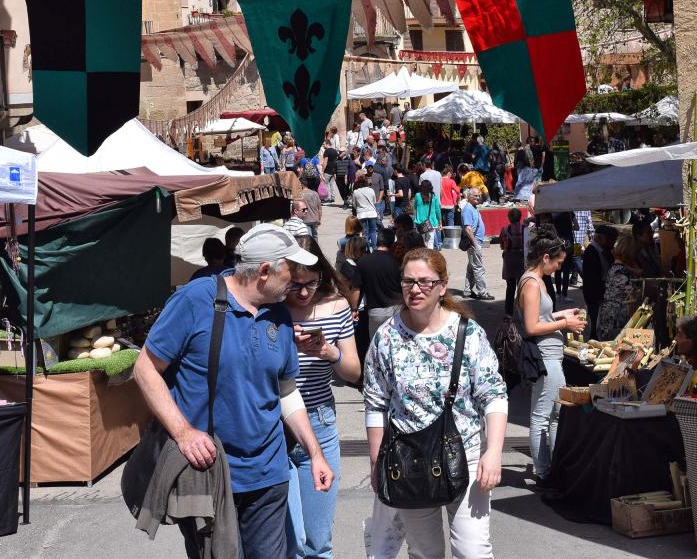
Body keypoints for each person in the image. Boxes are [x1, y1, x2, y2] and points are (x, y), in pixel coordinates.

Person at [133, 224, 334, 558]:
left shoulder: (278, 315)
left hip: (269, 473)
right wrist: (183, 433)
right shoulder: (196, 299)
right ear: (266, 271)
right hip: (210, 472)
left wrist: (315, 453)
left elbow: (285, 390)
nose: (296, 279)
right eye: (290, 270)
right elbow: (145, 369)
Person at [364, 248, 508, 559]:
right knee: (425, 552)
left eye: (425, 282)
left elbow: (494, 394)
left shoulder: (467, 333)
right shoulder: (386, 337)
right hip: (409, 458)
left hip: (466, 454)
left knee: (473, 551)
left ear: (442, 286)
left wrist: (493, 452)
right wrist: (377, 464)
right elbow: (375, 403)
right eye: (408, 281)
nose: (415, 289)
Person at [284, 237, 361, 559]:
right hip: (273, 428)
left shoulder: (337, 305)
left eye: (310, 283)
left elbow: (353, 372)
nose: (303, 292)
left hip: (319, 422)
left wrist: (329, 351)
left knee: (317, 541)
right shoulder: (268, 309)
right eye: (294, 284)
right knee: (291, 540)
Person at [514, 226, 585, 485]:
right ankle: (544, 472)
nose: (558, 268)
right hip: (545, 357)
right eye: (558, 262)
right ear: (545, 257)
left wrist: (561, 315)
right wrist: (565, 325)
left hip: (550, 355)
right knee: (543, 417)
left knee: (554, 414)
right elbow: (532, 327)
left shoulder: (535, 281)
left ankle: (552, 467)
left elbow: (538, 318)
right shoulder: (532, 283)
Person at [356, 227, 402, 339]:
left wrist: (354, 308)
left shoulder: (364, 261)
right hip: (398, 310)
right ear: (392, 243)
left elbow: (355, 289)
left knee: (376, 344)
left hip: (376, 312)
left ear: (377, 241)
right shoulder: (398, 261)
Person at [597, 235, 643, 340]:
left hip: (612, 313)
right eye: (635, 254)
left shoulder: (618, 268)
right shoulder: (620, 271)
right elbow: (633, 292)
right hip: (615, 317)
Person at [581, 224, 617, 336]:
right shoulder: (591, 253)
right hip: (595, 296)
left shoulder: (606, 251)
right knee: (595, 324)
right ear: (600, 238)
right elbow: (592, 280)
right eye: (610, 240)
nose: (612, 243)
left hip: (601, 294)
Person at [462, 187, 494, 301]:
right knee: (479, 268)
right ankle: (482, 292)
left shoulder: (473, 207)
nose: (477, 197)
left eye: (479, 195)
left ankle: (467, 290)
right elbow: (468, 228)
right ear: (469, 197)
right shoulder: (468, 209)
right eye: (475, 196)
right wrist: (475, 244)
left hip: (475, 243)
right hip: (473, 243)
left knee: (472, 268)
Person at [499, 208, 524, 315]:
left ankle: (508, 313)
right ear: (520, 217)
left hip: (509, 260)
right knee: (522, 287)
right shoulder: (526, 229)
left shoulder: (504, 230)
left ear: (509, 218)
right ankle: (523, 311)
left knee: (510, 288)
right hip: (522, 259)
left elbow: (501, 246)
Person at [551, 211, 577, 304]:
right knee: (566, 271)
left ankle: (558, 294)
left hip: (557, 244)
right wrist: (569, 227)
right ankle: (564, 295)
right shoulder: (570, 213)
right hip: (568, 244)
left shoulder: (553, 213)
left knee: (557, 269)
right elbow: (577, 227)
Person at [352, 175, 379, 249]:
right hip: (371, 213)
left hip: (361, 214)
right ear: (366, 182)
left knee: (364, 232)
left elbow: (354, 204)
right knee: (373, 231)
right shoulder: (371, 190)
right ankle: (374, 248)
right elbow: (374, 201)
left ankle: (365, 249)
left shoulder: (356, 192)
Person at [413, 179, 442, 250]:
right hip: (431, 222)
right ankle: (429, 258)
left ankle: (422, 257)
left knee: (421, 242)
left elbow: (414, 207)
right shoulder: (434, 197)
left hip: (420, 222)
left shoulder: (417, 195)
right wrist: (440, 221)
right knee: (430, 242)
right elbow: (437, 210)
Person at [570, 209, 594, 285]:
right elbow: (590, 226)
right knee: (577, 258)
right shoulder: (586, 209)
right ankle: (574, 279)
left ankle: (588, 280)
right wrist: (592, 239)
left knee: (576, 259)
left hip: (570, 239)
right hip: (579, 241)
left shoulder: (571, 208)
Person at [321, 139, 339, 204]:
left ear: (327, 144)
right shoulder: (335, 151)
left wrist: (322, 170)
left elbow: (325, 161)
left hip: (328, 169)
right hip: (333, 170)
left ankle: (327, 198)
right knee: (332, 184)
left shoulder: (326, 151)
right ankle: (333, 198)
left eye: (324, 144)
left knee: (326, 184)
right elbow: (336, 160)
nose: (323, 146)